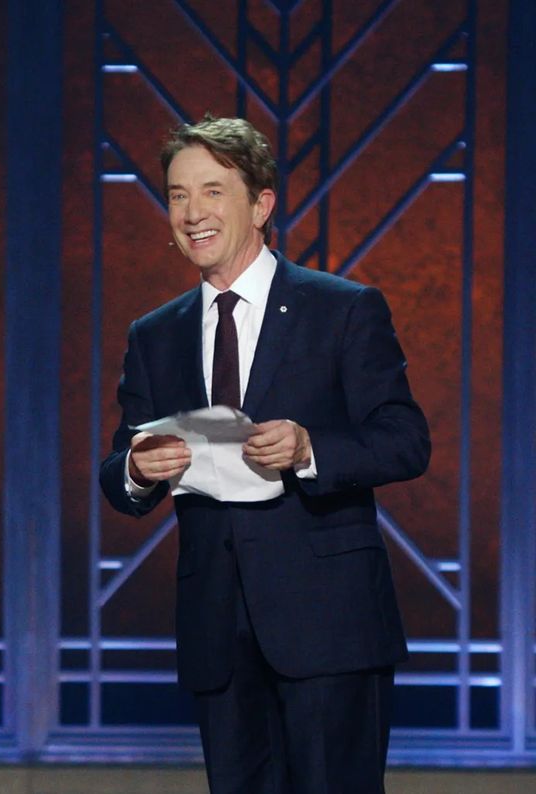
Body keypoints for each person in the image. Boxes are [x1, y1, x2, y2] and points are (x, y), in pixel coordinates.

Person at [98, 115, 430, 793]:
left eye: (213, 192)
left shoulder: (340, 309)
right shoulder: (156, 335)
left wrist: (312, 450)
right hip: (218, 630)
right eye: (178, 195)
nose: (192, 213)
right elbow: (116, 469)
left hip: (330, 625)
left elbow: (405, 439)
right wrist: (136, 470)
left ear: (262, 204)